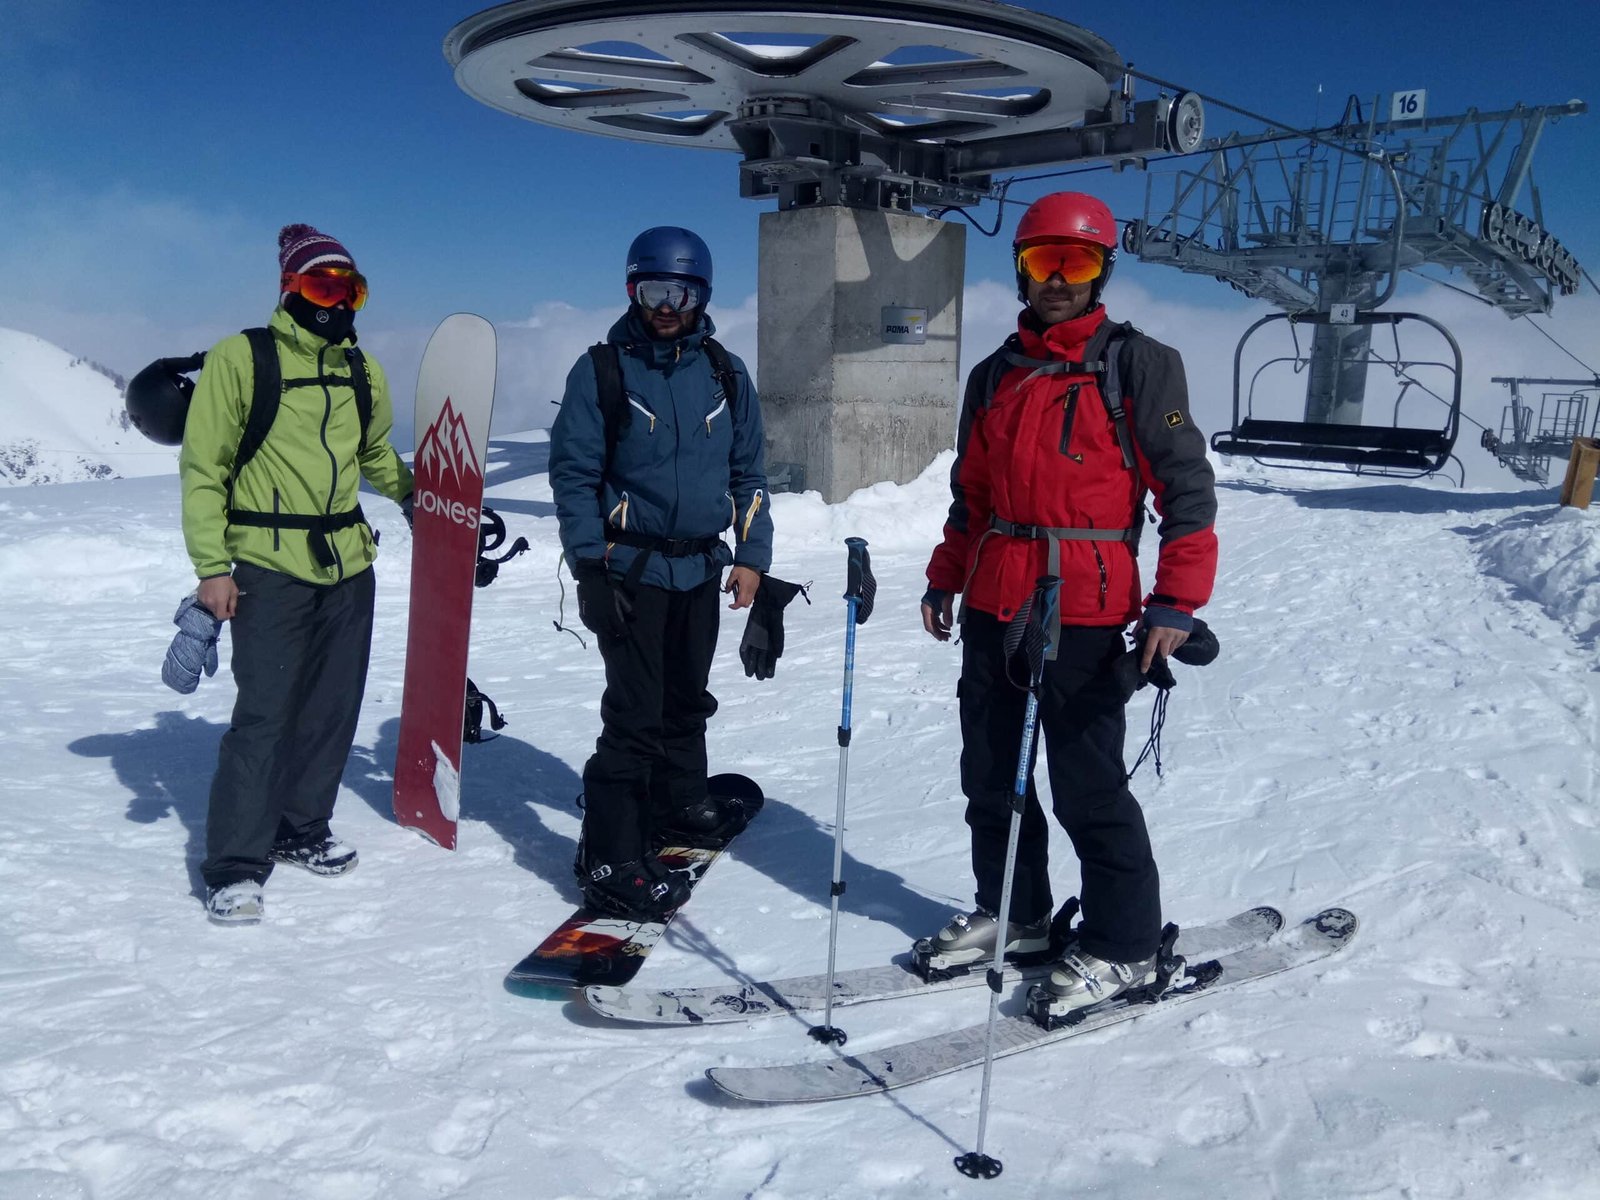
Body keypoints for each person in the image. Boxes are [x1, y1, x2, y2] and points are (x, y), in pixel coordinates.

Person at [919, 191, 1218, 1013]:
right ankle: (1017, 914)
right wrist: (947, 574)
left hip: (1084, 606)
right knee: (991, 775)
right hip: (995, 603)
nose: (1058, 278)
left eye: (1076, 261)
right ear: (1021, 270)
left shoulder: (1137, 363)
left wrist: (1174, 601)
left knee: (1087, 785)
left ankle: (1126, 944)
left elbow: (1186, 490)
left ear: (1100, 272)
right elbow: (972, 495)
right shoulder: (994, 375)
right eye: (1042, 261)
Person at [181, 223, 414, 924]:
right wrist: (212, 568)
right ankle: (235, 865)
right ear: (290, 287)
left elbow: (375, 453)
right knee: (265, 715)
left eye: (350, 290)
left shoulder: (361, 370)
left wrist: (418, 497)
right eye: (321, 285)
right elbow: (204, 466)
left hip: (349, 564)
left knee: (331, 709)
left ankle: (301, 828)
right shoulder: (243, 358)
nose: (335, 301)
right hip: (269, 565)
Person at [550, 226, 773, 919]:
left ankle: (680, 801)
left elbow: (749, 474)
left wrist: (752, 558)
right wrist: (590, 570)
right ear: (632, 291)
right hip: (630, 571)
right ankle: (610, 853)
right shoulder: (602, 370)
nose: (667, 307)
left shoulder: (725, 372)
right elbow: (574, 476)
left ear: (701, 295)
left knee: (686, 698)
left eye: (680, 292)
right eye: (653, 291)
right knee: (635, 714)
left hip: (700, 567)